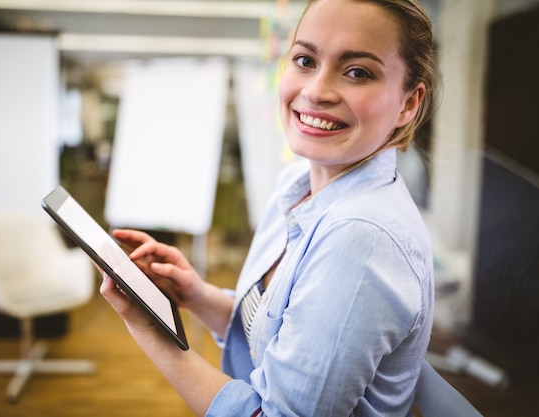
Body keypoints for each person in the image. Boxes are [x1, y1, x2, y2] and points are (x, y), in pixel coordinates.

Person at [100, 0, 439, 415]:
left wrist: (150, 330)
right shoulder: (295, 186)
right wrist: (198, 296)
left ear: (408, 103)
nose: (315, 91)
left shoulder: (361, 238)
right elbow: (279, 340)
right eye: (305, 59)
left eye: (357, 72)